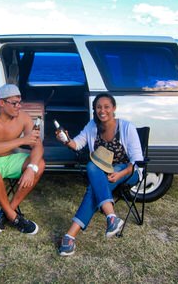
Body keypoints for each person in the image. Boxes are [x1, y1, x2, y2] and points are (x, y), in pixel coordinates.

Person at [57, 93, 144, 256]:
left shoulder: (126, 127)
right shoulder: (92, 126)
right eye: (98, 107)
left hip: (128, 170)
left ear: (114, 108)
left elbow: (137, 161)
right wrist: (66, 140)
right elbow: (77, 144)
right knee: (92, 165)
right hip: (103, 170)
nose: (102, 111)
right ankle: (111, 217)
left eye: (106, 107)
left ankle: (70, 236)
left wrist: (120, 174)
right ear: (94, 109)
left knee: (94, 188)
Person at [0, 84, 45, 235]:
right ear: (1, 103)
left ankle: (7, 210)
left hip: (9, 160)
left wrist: (31, 168)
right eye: (14, 103)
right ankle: (14, 217)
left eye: (20, 102)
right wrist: (22, 140)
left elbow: (38, 146)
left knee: (40, 163)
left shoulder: (23, 118)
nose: (19, 106)